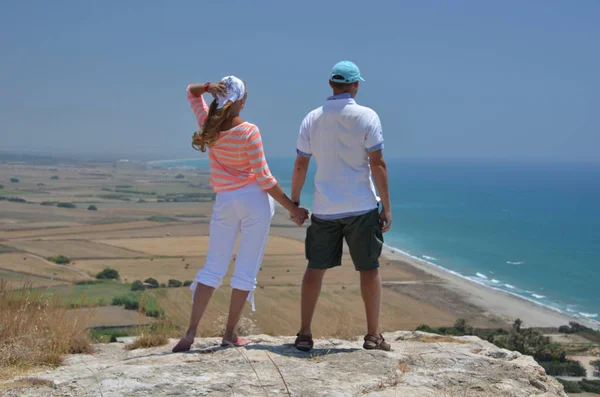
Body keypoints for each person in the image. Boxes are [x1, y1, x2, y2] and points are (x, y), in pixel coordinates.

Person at [173, 76, 308, 352]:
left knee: (213, 267)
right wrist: (292, 208)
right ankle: (229, 335)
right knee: (245, 269)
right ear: (242, 101)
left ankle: (190, 332)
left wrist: (208, 87)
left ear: (218, 97)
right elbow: (264, 178)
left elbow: (190, 91)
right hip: (253, 203)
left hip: (225, 202)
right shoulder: (249, 131)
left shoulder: (207, 124)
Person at [291, 61, 392, 352]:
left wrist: (296, 202)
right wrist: (386, 207)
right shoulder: (367, 116)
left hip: (324, 208)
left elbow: (301, 164)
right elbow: (378, 164)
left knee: (315, 269)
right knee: (369, 269)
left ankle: (304, 334)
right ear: (356, 85)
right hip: (361, 206)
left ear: (331, 84)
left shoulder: (311, 119)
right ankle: (373, 335)